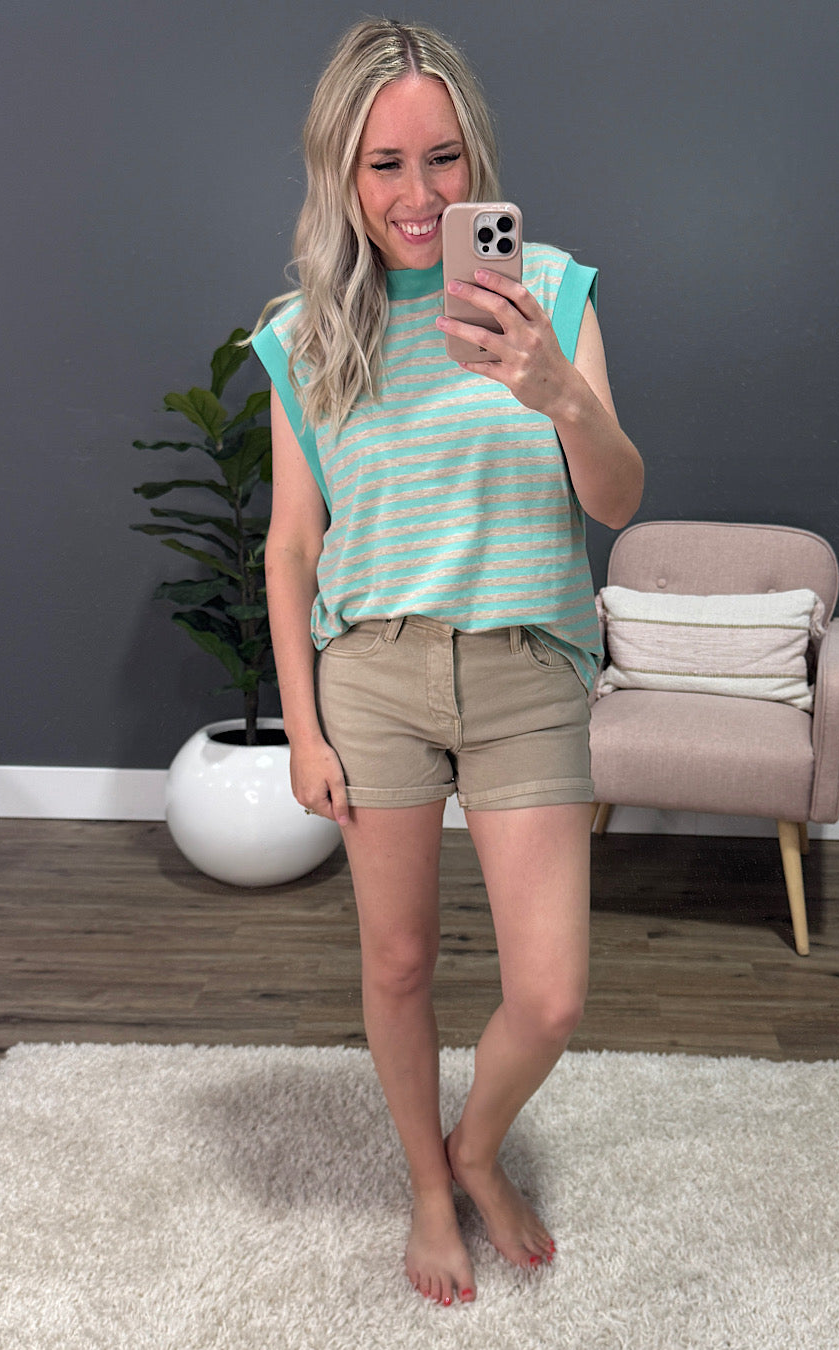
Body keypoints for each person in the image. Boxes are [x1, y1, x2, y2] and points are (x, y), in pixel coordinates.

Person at [250, 18, 643, 1307]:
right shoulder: (308, 336)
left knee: (553, 995)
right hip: (374, 677)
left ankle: (477, 1145)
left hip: (528, 666)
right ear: (342, 174)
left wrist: (559, 391)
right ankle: (429, 1184)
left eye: (443, 158)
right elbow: (292, 546)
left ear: (478, 159)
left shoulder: (555, 294)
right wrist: (304, 726)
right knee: (400, 962)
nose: (419, 196)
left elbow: (618, 501)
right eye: (385, 165)